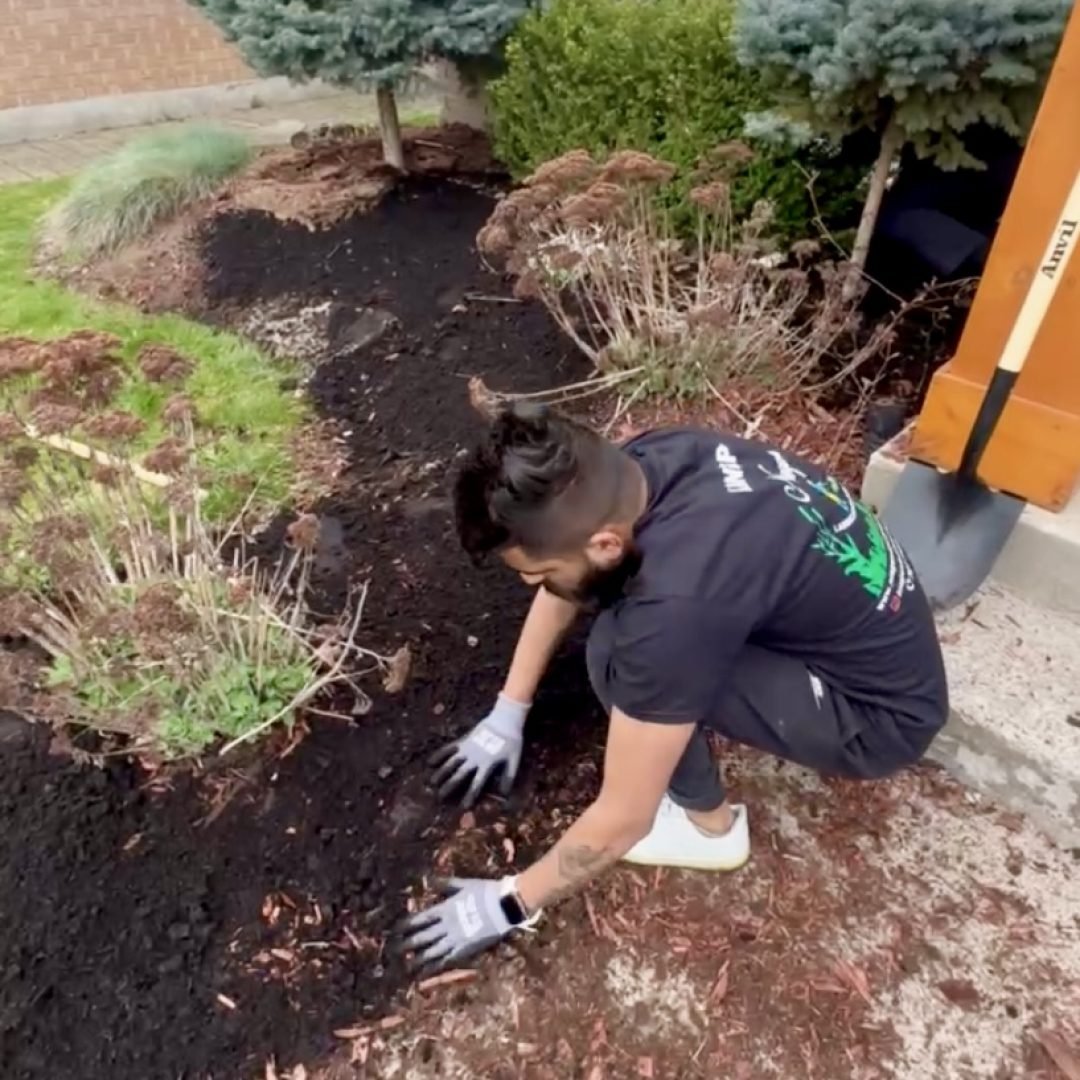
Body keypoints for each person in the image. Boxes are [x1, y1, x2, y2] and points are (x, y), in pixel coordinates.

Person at [400, 405, 948, 972]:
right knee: (635, 639)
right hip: (864, 638)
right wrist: (506, 712)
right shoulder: (646, 463)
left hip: (876, 717)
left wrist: (508, 903)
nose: (531, 584)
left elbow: (624, 818)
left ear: (606, 545)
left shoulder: (673, 611)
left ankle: (708, 829)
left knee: (618, 656)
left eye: (536, 573)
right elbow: (565, 586)